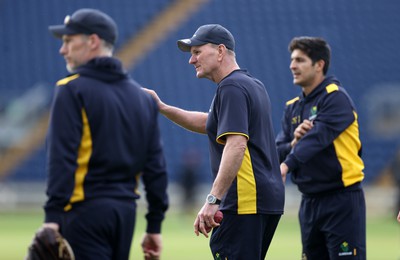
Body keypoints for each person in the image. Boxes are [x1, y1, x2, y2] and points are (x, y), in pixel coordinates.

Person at [144, 24, 284, 259]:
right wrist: (162, 107)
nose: (191, 60)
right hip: (265, 200)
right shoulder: (251, 84)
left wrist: (213, 199)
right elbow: (210, 123)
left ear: (220, 51)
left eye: (197, 52)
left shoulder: (231, 87)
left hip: (244, 201)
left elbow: (236, 143)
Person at [44, 8, 168, 260]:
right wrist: (154, 225)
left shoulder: (71, 89)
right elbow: (156, 166)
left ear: (92, 41)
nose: (62, 49)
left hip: (82, 213)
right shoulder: (142, 97)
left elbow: (62, 158)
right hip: (125, 216)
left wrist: (52, 218)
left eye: (68, 41)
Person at [276, 36, 366, 259]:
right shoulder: (292, 108)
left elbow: (318, 138)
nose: (292, 66)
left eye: (300, 60)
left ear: (319, 65)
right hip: (308, 202)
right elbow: (278, 150)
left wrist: (287, 164)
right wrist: (293, 144)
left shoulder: (336, 99)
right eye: (292, 60)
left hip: (342, 200)